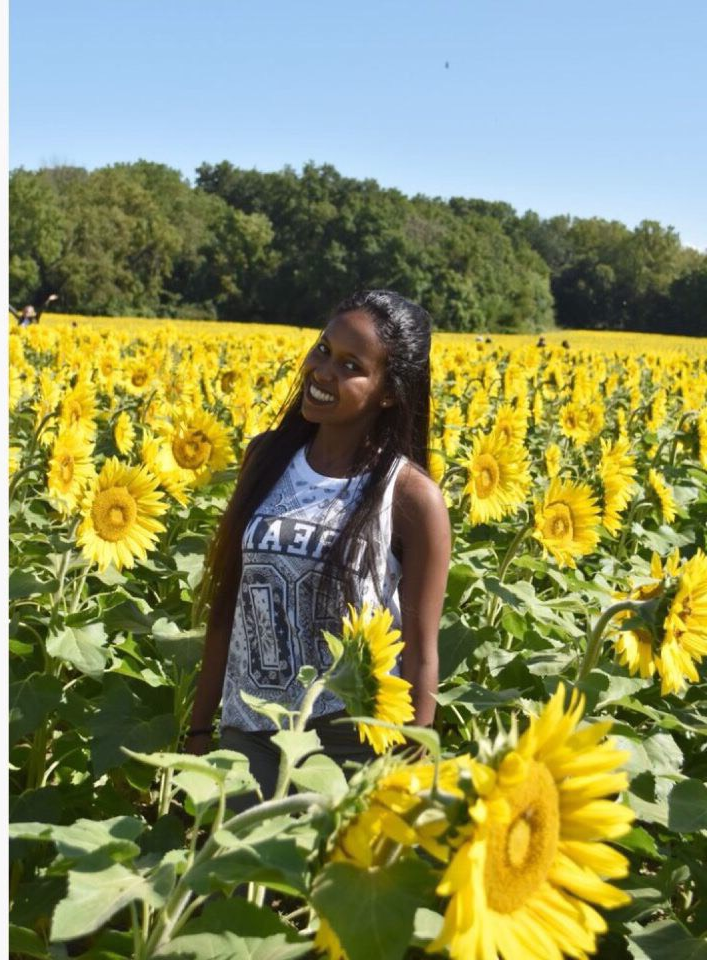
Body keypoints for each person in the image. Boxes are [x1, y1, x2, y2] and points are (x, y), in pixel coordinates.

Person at [185, 290, 451, 806]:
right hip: (248, 730)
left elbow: (420, 654)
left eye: (351, 365)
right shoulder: (265, 457)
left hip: (349, 744)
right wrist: (199, 733)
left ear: (388, 393)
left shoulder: (411, 496)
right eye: (324, 349)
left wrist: (407, 779)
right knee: (233, 880)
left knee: (321, 886)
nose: (323, 370)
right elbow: (228, 607)